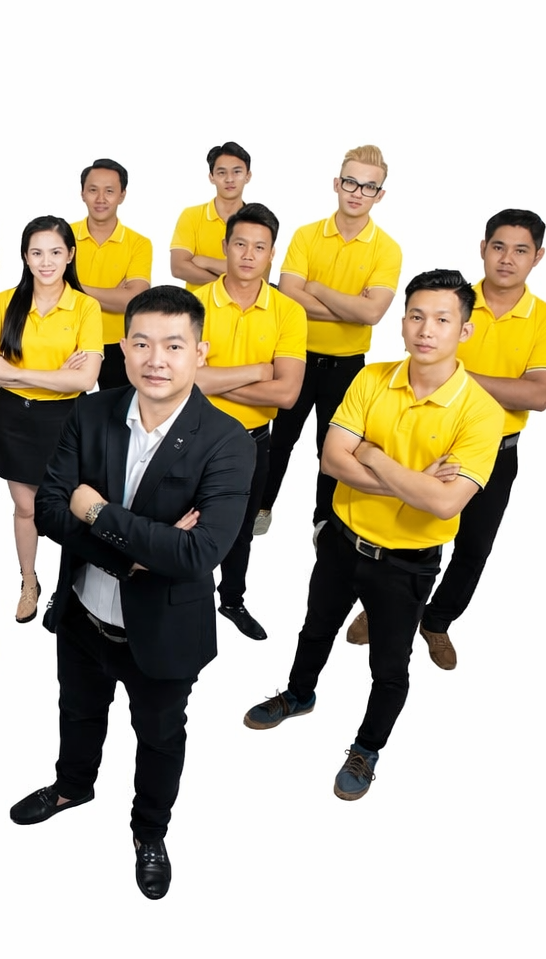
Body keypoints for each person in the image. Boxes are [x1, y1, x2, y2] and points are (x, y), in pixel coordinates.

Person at [18, 286, 254, 900]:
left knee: (159, 738)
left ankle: (150, 831)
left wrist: (97, 513)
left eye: (174, 346)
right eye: (142, 343)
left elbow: (199, 554)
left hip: (164, 633)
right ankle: (72, 787)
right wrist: (140, 553)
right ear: (122, 348)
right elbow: (49, 509)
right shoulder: (91, 413)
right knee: (77, 712)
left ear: (200, 352)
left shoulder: (227, 440)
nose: (156, 359)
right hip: (83, 615)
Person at [243, 270, 503, 800]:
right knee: (315, 629)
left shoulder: (482, 412)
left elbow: (446, 502)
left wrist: (373, 455)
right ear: (402, 322)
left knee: (389, 666)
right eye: (416, 316)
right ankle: (299, 695)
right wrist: (414, 481)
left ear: (465, 331)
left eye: (442, 319)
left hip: (408, 560)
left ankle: (366, 749)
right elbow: (331, 459)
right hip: (343, 539)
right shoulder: (371, 378)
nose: (425, 330)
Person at [347, 211, 546, 670]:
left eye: (521, 250)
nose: (507, 258)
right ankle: (385, 607)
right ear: (483, 247)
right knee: (402, 533)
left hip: (494, 448)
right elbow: (420, 358)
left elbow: (539, 395)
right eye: (498, 246)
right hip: (421, 438)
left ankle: (436, 620)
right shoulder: (450, 301)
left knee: (473, 548)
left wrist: (455, 378)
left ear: (538, 256)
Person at [260, 145, 402, 540]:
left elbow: (372, 313)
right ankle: (261, 507)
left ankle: (325, 519)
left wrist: (317, 288)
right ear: (337, 184)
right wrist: (350, 306)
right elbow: (288, 297)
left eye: (369, 187)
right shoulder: (307, 235)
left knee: (334, 447)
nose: (358, 192)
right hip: (296, 357)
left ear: (380, 195)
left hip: (347, 365)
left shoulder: (387, 249)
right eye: (351, 182)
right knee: (279, 439)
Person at [0, 215, 103, 624]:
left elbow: (85, 379)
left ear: (70, 255)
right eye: (36, 253)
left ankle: (69, 590)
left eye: (55, 252)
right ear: (25, 258)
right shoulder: (5, 302)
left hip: (65, 420)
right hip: (13, 419)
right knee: (25, 508)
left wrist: (14, 372)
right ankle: (29, 581)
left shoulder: (85, 306)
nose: (46, 262)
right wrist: (53, 375)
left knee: (70, 510)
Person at [191, 203, 305, 641]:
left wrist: (213, 381)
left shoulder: (288, 311)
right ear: (225, 246)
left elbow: (287, 393)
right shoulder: (194, 304)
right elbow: (182, 381)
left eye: (260, 247)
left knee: (241, 529)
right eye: (240, 244)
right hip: (194, 433)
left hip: (253, 439)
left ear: (272, 254)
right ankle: (189, 599)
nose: (248, 255)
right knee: (188, 520)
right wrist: (257, 371)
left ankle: (232, 600)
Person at [72, 159, 152, 391]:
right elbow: (44, 289)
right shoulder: (62, 235)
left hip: (119, 343)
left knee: (120, 409)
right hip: (70, 339)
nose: (100, 199)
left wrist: (73, 287)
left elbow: (133, 300)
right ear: (82, 193)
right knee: (66, 410)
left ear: (122, 195)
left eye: (109, 191)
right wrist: (114, 295)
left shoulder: (139, 243)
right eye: (93, 190)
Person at [170, 141, 253, 291]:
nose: (229, 179)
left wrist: (205, 262)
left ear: (248, 176)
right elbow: (178, 268)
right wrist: (225, 283)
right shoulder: (191, 216)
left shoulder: (257, 221)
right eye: (221, 172)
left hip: (244, 306)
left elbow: (258, 272)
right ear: (211, 177)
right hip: (197, 304)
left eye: (237, 172)